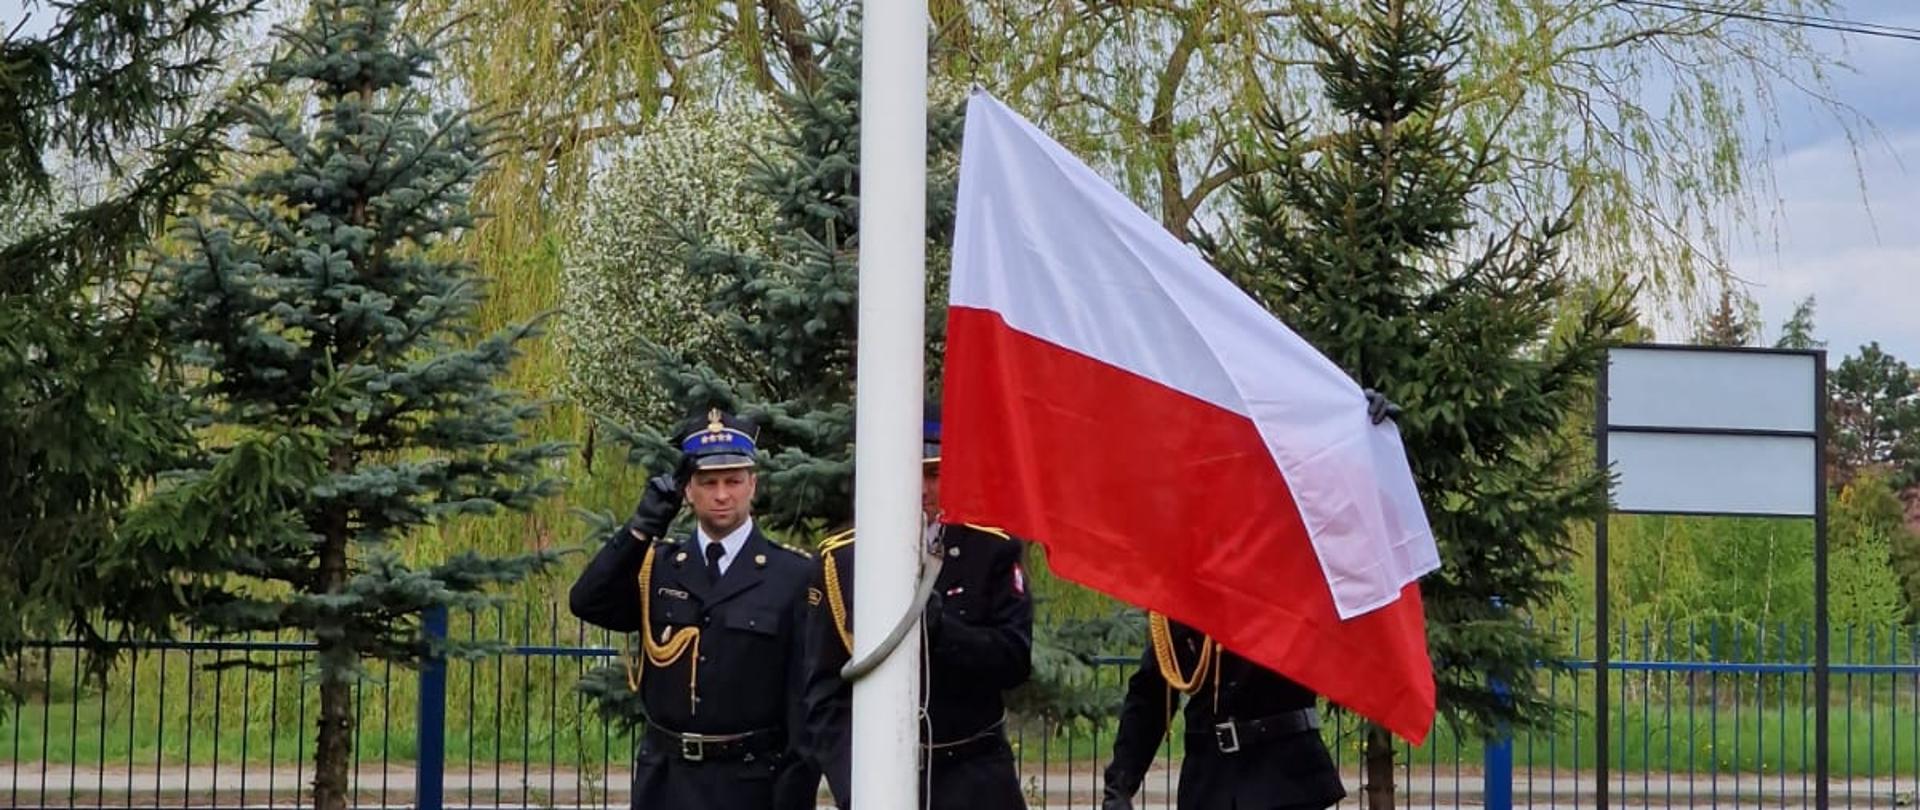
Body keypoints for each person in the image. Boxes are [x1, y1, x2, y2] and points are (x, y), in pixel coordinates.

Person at [1100, 389, 1401, 810]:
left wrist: (1366, 446)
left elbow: (1358, 533)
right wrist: (1121, 785)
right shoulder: (1183, 578)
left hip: (1285, 778)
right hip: (1210, 787)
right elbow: (1154, 689)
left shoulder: (1297, 548)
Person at [568, 409, 815, 810]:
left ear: (752, 484)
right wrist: (640, 529)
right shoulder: (659, 566)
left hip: (753, 785)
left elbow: (805, 707)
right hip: (667, 782)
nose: (721, 495)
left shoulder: (792, 575)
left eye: (733, 481)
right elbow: (587, 602)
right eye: (708, 482)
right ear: (688, 490)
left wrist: (792, 794)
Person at [801, 405, 1033, 810]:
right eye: (908, 471)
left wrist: (945, 632)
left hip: (973, 775)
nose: (921, 489)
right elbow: (824, 693)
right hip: (881, 781)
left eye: (933, 473)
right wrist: (854, 787)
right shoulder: (843, 560)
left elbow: (1013, 659)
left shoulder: (991, 548)